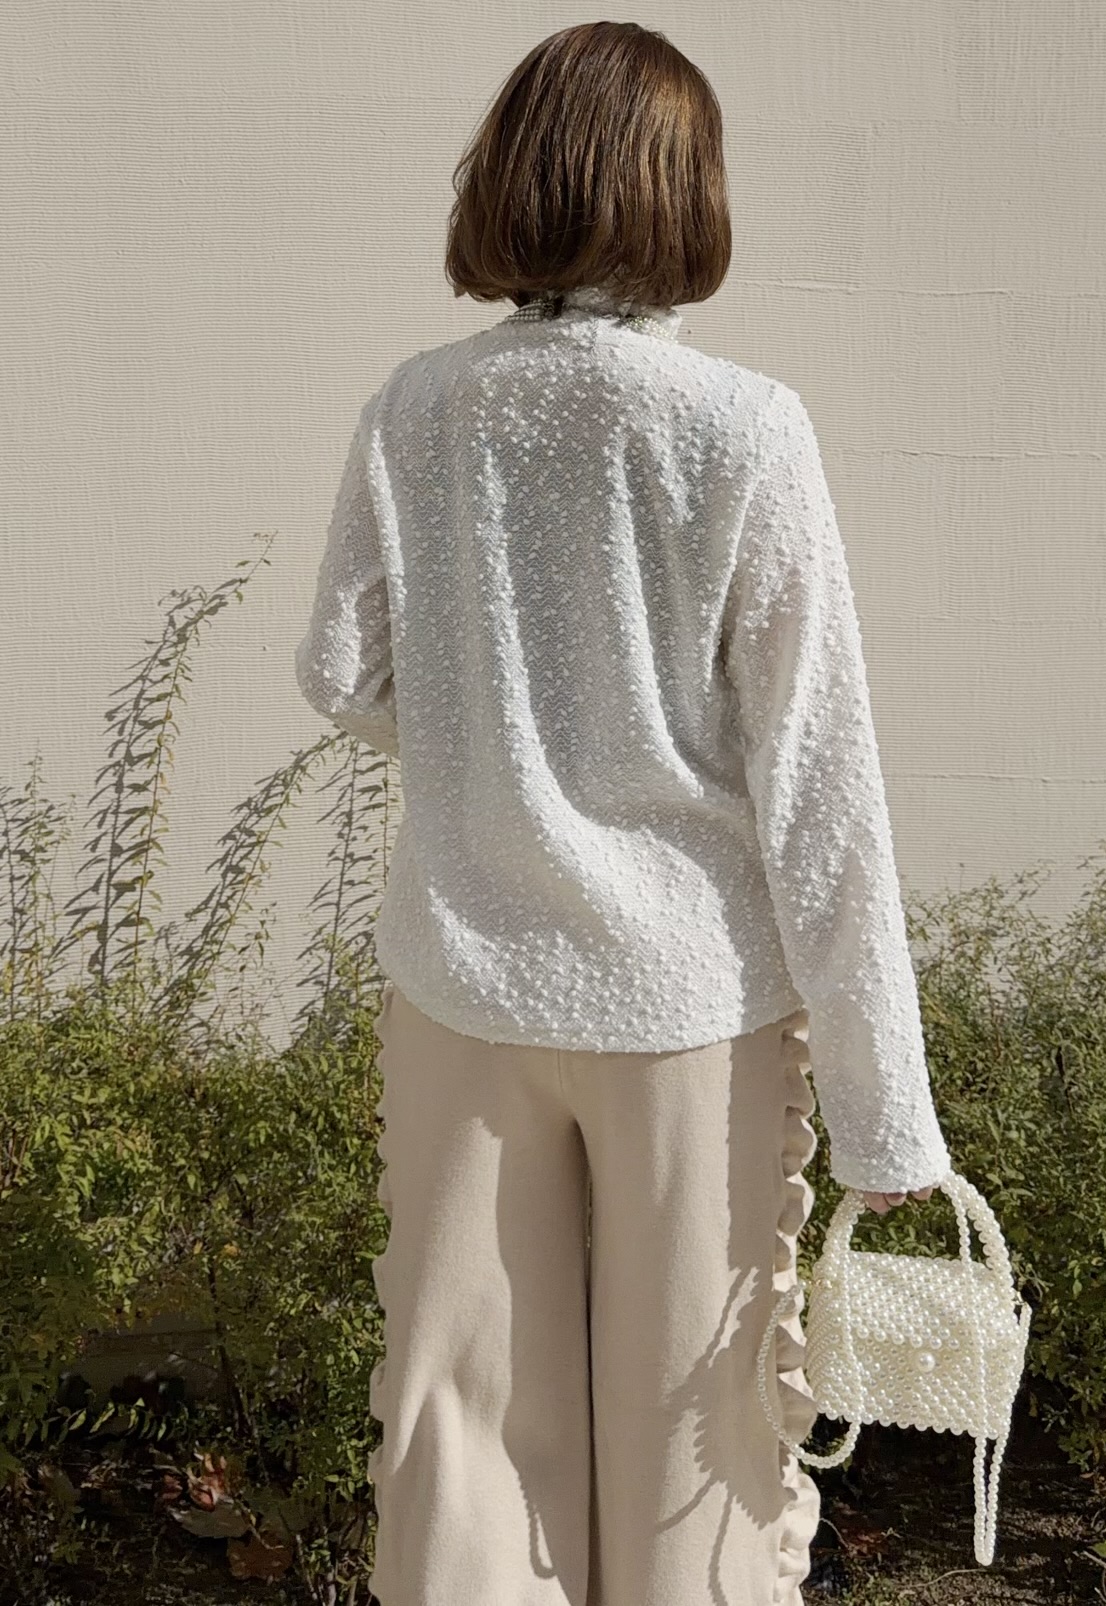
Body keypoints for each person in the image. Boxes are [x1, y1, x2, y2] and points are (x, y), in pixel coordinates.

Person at [294, 20, 951, 1605]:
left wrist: (488, 742)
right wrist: (884, 1111)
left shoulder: (417, 411)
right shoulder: (742, 425)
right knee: (694, 1452)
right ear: (684, 189)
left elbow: (338, 669)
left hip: (465, 981)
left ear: (512, 173)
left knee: (458, 1433)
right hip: (686, 1006)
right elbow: (819, 779)